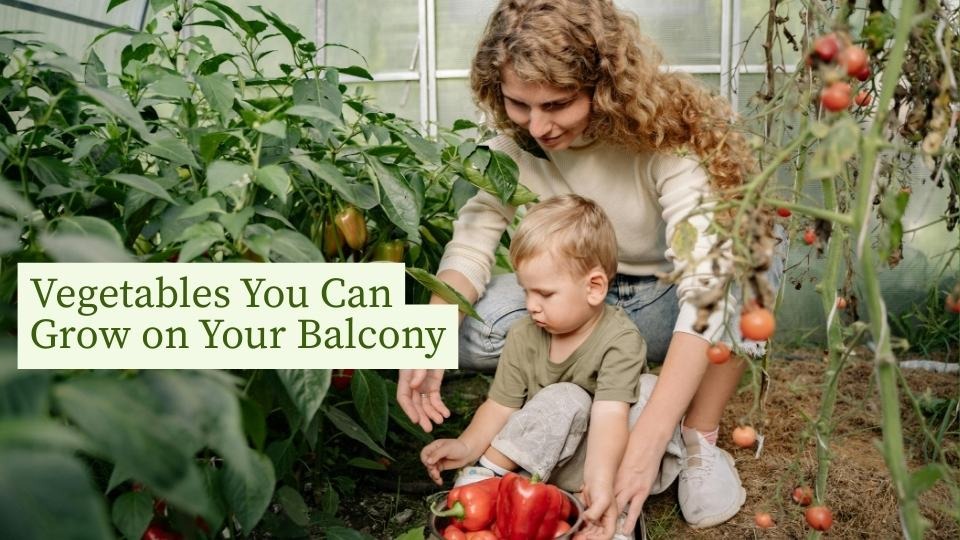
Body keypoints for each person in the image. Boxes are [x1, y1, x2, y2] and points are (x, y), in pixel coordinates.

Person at [399, 0, 785, 535]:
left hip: (663, 297)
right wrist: (424, 340)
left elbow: (706, 292)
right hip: (581, 298)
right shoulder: (513, 145)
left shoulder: (666, 140)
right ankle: (570, 403)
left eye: (556, 104)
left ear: (602, 87)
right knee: (461, 327)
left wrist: (646, 444)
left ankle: (699, 438)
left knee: (753, 255)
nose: (538, 126)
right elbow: (472, 244)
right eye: (518, 104)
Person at [421, 194, 650, 537]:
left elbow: (610, 418)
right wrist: (467, 446)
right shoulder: (524, 335)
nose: (531, 306)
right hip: (545, 459)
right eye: (525, 291)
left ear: (594, 287)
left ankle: (608, 505)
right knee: (566, 398)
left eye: (544, 294)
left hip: (603, 461)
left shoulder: (620, 339)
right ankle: (488, 476)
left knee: (648, 393)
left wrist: (599, 481)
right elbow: (500, 405)